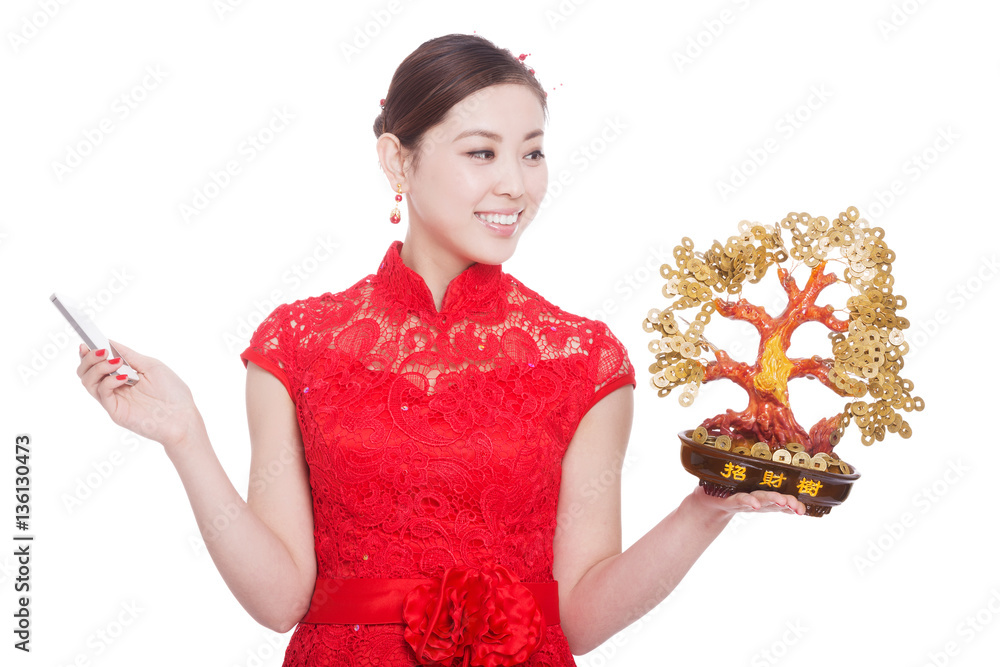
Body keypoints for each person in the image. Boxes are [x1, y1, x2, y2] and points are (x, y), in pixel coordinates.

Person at [75, 33, 805, 667]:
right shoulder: (296, 345)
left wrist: (703, 511)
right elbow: (278, 599)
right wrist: (184, 435)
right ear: (398, 161)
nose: (515, 185)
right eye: (482, 153)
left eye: (533, 153)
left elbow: (578, 615)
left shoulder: (585, 361)